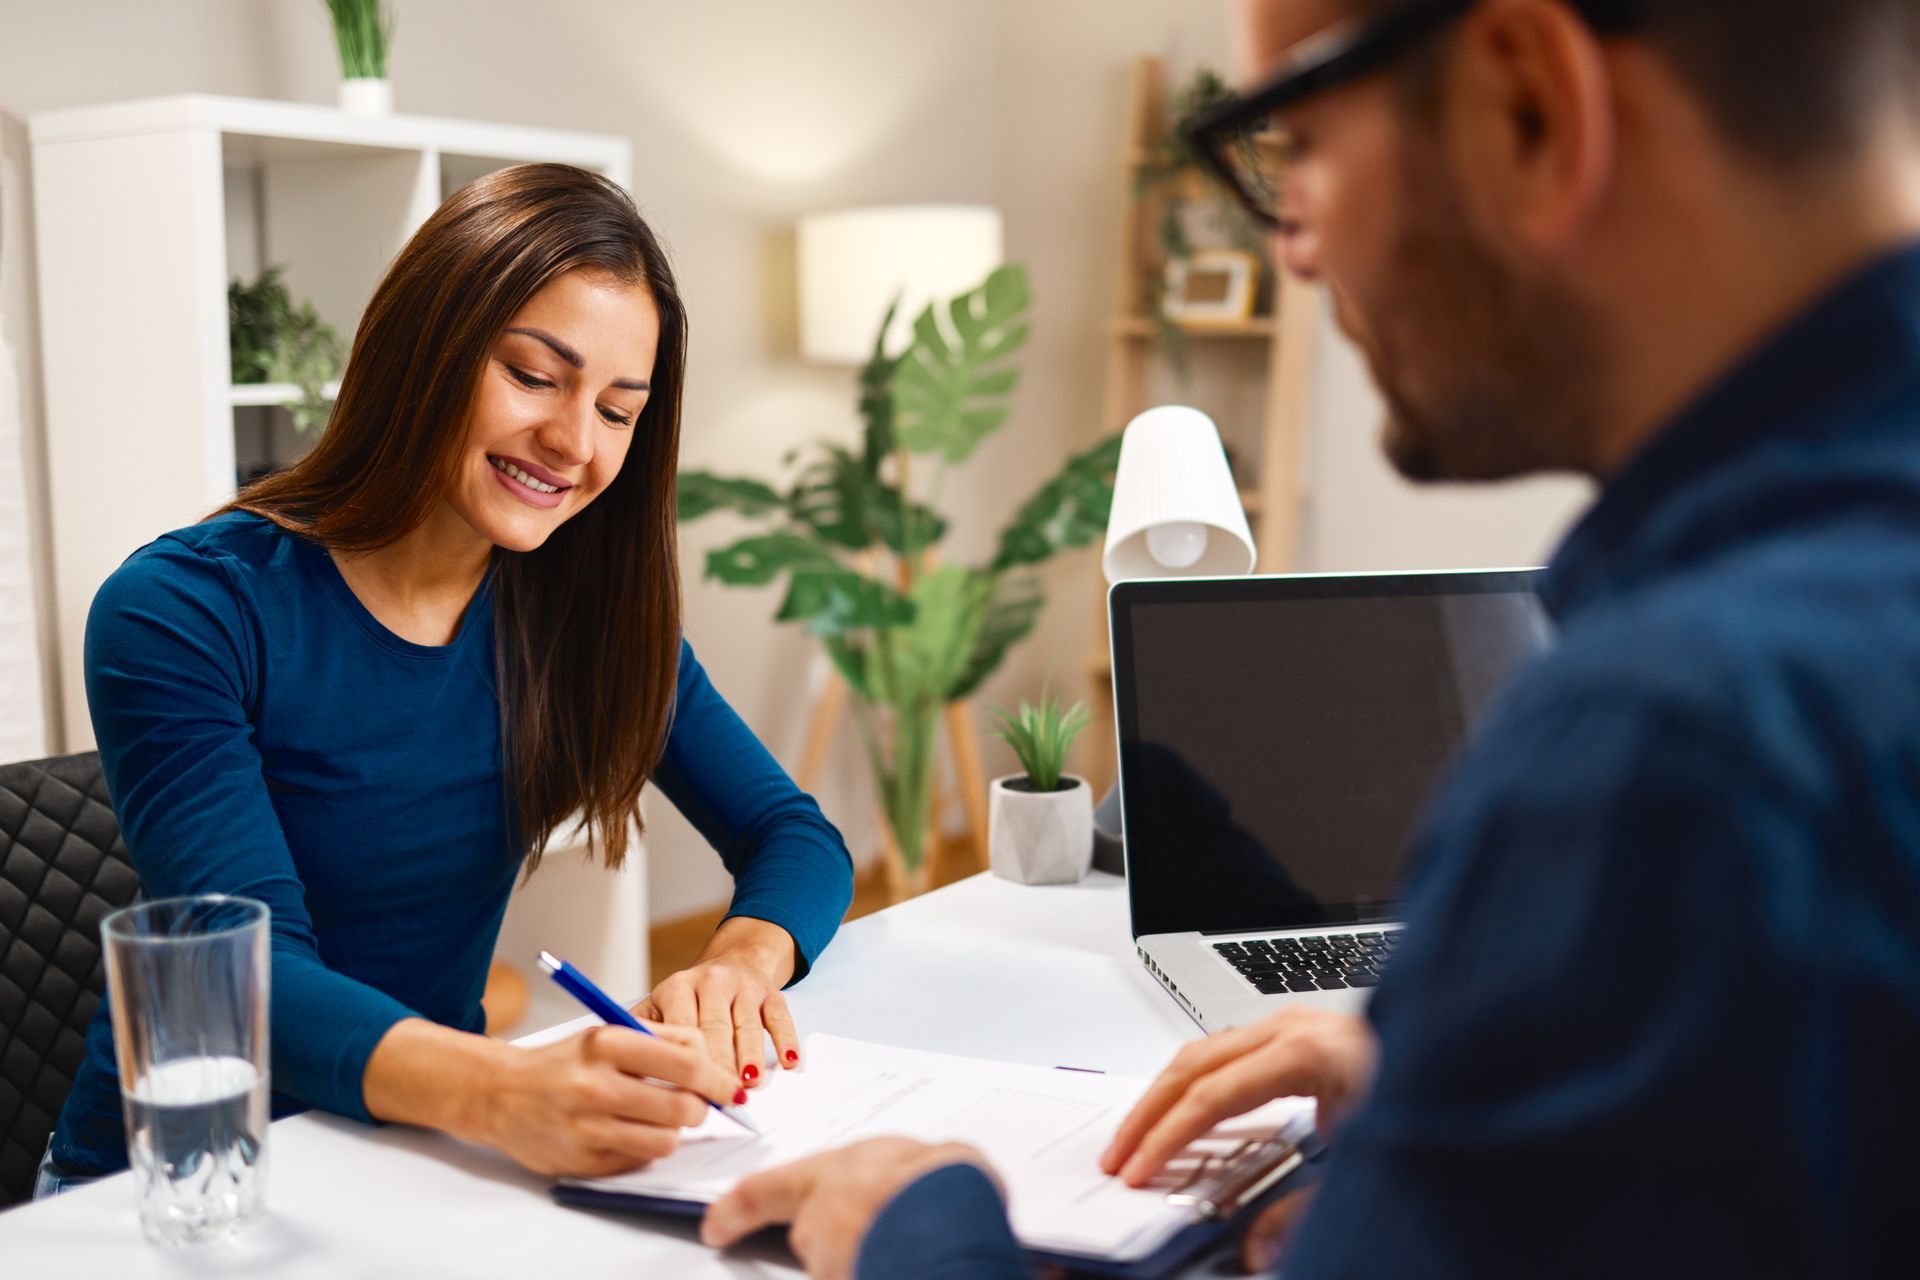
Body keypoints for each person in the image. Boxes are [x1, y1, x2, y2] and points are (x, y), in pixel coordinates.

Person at [697, 0, 1920, 1275]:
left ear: (1527, 105)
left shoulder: (1676, 745)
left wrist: (924, 1228)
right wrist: (1433, 1078)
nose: (1293, 245)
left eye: (1298, 145)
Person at [38, 163, 854, 1196]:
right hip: (184, 1185)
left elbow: (795, 834)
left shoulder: (583, 616)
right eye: (532, 374)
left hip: (417, 1153)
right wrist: (505, 1091)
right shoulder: (187, 608)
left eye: (617, 409)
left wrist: (740, 964)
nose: (572, 442)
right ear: (425, 350)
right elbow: (252, 978)